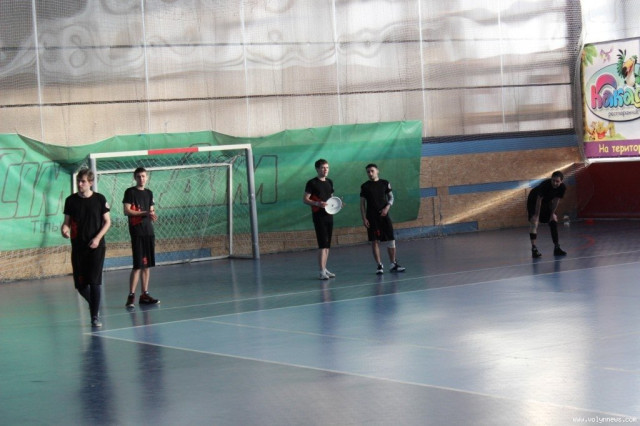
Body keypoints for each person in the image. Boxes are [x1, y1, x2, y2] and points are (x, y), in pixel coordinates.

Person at [61, 168, 111, 328]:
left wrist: (97, 238)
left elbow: (107, 222)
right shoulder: (70, 201)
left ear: (90, 182)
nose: (80, 184)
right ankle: (94, 304)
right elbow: (66, 223)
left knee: (95, 282)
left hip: (96, 247)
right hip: (78, 248)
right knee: (81, 285)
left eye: (83, 181)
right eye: (78, 181)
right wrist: (64, 229)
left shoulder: (99, 199)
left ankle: (94, 316)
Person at [123, 167, 160, 307]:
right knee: (138, 265)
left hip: (148, 231)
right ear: (135, 178)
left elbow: (151, 210)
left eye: (143, 176)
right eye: (138, 176)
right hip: (137, 232)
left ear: (147, 177)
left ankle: (144, 294)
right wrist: (145, 213)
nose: (141, 179)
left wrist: (152, 214)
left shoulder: (149, 193)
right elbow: (127, 211)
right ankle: (131, 295)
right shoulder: (130, 192)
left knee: (147, 264)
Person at [360, 163, 406, 275]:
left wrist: (387, 207)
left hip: (384, 216)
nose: (370, 173)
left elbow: (391, 197)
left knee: (391, 239)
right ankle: (379, 265)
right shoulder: (365, 186)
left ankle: (393, 264)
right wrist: (364, 218)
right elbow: (362, 204)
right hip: (372, 218)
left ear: (377, 171)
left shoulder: (385, 183)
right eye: (368, 172)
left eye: (372, 171)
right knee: (374, 241)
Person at [303, 159, 336, 280]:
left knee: (327, 245)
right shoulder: (312, 183)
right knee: (322, 244)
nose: (325, 170)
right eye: (323, 168)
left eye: (327, 167)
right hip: (319, 216)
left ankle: (325, 268)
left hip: (329, 216)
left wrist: (337, 205)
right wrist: (317, 203)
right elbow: (305, 199)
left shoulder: (330, 182)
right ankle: (321, 271)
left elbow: (331, 198)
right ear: (317, 169)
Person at [527, 170, 567, 258]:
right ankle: (534, 249)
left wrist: (552, 214)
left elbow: (556, 201)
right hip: (534, 200)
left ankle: (557, 247)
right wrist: (536, 216)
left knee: (553, 220)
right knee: (534, 222)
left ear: (561, 181)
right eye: (553, 180)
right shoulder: (545, 185)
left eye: (557, 181)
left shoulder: (562, 188)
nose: (555, 183)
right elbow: (539, 201)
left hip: (546, 201)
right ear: (551, 179)